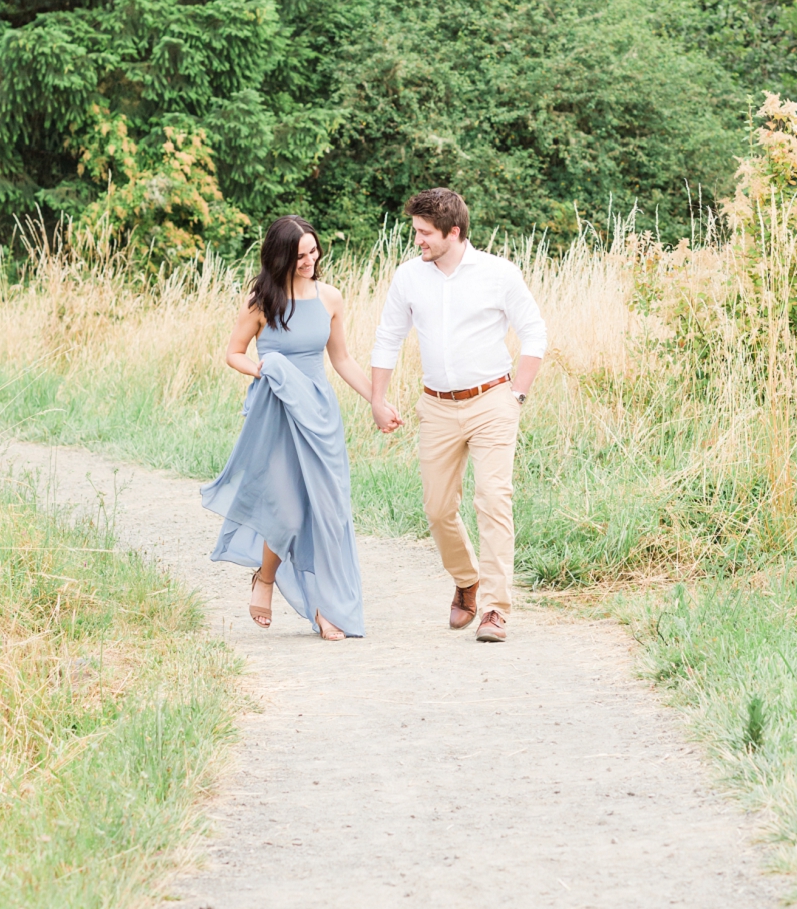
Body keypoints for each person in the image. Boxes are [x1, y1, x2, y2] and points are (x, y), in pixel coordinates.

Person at [368, 187, 546, 644]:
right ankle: (467, 580)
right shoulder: (408, 277)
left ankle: (494, 610)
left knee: (493, 500)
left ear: (455, 232)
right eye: (416, 232)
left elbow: (534, 333)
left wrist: (517, 396)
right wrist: (378, 398)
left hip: (492, 401)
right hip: (437, 406)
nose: (418, 241)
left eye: (425, 233)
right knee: (438, 508)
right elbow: (388, 337)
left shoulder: (498, 273)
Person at [202, 215, 389, 640]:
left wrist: (376, 401)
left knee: (327, 512)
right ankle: (265, 579)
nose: (310, 260)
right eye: (300, 254)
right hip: (277, 415)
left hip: (319, 416)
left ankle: (325, 608)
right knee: (286, 511)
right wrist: (262, 370)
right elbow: (234, 352)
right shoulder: (262, 302)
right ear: (281, 256)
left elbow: (342, 360)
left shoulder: (330, 298)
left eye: (313, 251)